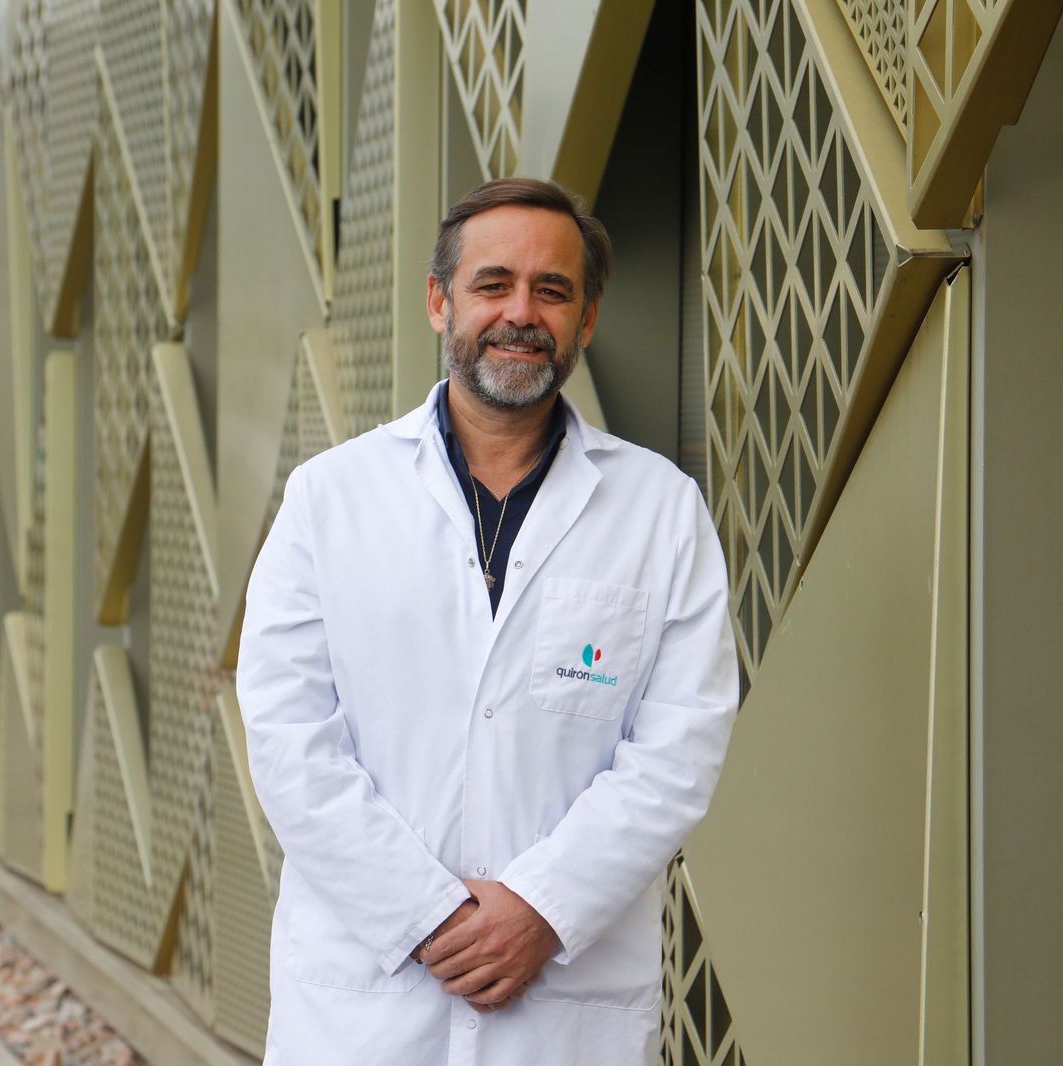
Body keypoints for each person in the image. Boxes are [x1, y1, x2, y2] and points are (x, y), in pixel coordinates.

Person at [236, 177, 739, 1066]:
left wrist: (543, 906)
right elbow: (286, 733)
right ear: (440, 302)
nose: (521, 312)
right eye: (492, 284)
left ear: (585, 320)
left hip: (563, 1000)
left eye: (552, 291)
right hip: (367, 997)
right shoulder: (331, 497)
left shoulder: (662, 510)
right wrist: (426, 912)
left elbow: (679, 748)